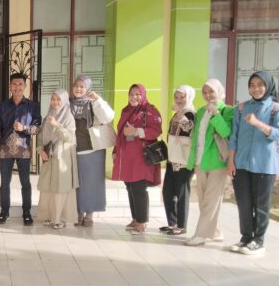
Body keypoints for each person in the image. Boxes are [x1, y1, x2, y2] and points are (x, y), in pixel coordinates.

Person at [228, 71, 279, 256]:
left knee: (261, 205)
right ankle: (246, 238)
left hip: (264, 165)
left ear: (268, 86)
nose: (256, 88)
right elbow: (234, 137)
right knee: (243, 203)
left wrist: (257, 123)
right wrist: (231, 161)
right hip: (241, 163)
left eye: (260, 84)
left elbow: (278, 134)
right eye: (252, 85)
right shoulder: (241, 108)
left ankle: (258, 241)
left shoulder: (276, 109)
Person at [185, 79, 234, 246]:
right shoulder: (200, 111)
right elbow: (196, 137)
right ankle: (216, 232)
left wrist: (216, 114)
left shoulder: (227, 110)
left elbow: (226, 132)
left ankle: (201, 235)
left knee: (211, 200)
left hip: (217, 161)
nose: (208, 95)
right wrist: (192, 160)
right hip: (200, 160)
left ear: (218, 91)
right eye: (205, 92)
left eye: (211, 91)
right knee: (204, 200)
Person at [112, 84, 163, 235]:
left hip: (141, 157)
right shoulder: (126, 110)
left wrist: (137, 131)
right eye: (131, 94)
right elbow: (120, 133)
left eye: (137, 94)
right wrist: (116, 151)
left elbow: (156, 130)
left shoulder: (150, 110)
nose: (134, 97)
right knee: (129, 187)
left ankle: (142, 222)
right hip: (126, 157)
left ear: (143, 95)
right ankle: (135, 218)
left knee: (139, 188)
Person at [0, 73, 42, 225]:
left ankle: (26, 212)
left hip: (24, 150)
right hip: (5, 150)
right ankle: (4, 211)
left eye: (20, 84)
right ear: (10, 86)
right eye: (14, 84)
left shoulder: (32, 106)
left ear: (25, 86)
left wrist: (24, 128)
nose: (17, 87)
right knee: (4, 183)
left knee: (25, 183)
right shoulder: (2, 106)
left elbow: (38, 128)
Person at [69, 74, 115, 227]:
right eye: (76, 86)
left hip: (93, 149)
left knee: (93, 183)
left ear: (88, 88)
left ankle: (89, 214)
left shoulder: (93, 103)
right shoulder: (68, 103)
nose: (78, 89)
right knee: (77, 183)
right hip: (74, 149)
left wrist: (97, 99)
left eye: (82, 86)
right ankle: (78, 212)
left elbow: (108, 117)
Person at [37, 89, 78, 229]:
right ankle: (50, 216)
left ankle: (59, 219)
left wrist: (56, 125)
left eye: (58, 99)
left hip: (62, 157)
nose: (55, 102)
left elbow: (70, 138)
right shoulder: (47, 117)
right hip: (49, 156)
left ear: (64, 101)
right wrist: (40, 150)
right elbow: (41, 136)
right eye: (53, 99)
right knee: (48, 187)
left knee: (60, 187)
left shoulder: (68, 117)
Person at [161, 85, 196, 236]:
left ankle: (182, 225)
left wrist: (182, 115)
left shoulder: (191, 114)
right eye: (176, 97)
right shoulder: (176, 113)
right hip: (172, 157)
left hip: (184, 160)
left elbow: (189, 129)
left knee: (182, 192)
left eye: (182, 97)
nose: (179, 100)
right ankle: (172, 222)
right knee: (168, 191)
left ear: (189, 97)